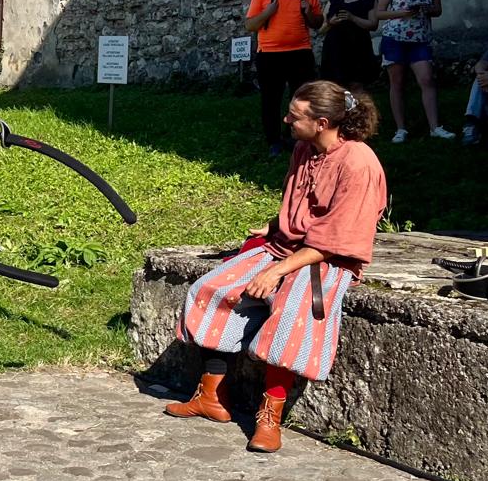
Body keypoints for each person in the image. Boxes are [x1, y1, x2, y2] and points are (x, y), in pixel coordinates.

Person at [166, 81, 388, 452]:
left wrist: (276, 272)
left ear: (321, 122)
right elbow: (303, 203)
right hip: (284, 247)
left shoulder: (359, 163)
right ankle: (212, 397)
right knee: (212, 288)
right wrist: (274, 226)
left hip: (327, 259)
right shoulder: (304, 148)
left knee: (292, 310)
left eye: (295, 116)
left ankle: (270, 416)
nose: (286, 119)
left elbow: (338, 235)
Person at [245, 0, 323, 155]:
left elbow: (318, 24)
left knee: (302, 99)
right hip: (270, 54)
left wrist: (308, 13)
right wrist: (268, 12)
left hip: (300, 52)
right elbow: (250, 25)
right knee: (271, 99)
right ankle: (274, 141)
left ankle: (296, 138)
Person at [375, 0, 454, 142]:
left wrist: (426, 9)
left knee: (427, 79)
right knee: (397, 82)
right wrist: (402, 13)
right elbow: (379, 12)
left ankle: (435, 126)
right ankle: (401, 129)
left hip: (420, 39)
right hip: (395, 38)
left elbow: (438, 10)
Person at [318, 0, 381, 89]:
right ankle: (344, 109)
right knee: (338, 86)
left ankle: (356, 109)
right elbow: (321, 29)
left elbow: (373, 24)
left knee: (356, 84)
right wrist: (331, 22)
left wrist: (352, 18)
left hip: (358, 46)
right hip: (336, 47)